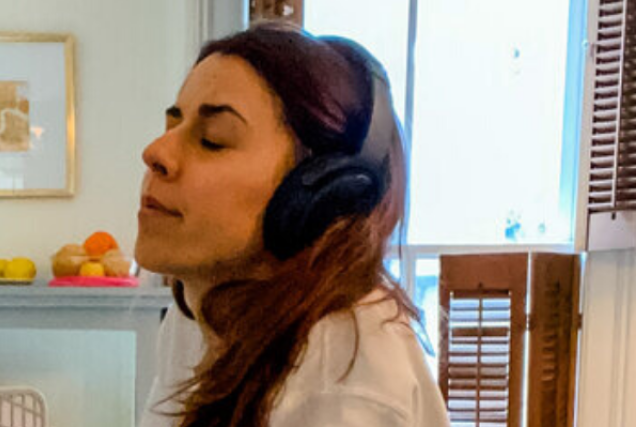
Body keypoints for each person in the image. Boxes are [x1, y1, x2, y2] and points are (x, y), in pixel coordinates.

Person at [135, 23, 449, 427]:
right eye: (172, 126)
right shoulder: (204, 307)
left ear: (320, 193)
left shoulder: (340, 370)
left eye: (213, 139)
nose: (155, 151)